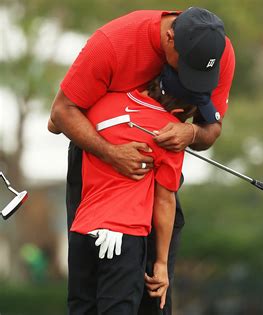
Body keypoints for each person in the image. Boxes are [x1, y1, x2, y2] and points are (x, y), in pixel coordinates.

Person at [48, 7, 235, 314]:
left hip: (160, 165)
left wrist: (189, 133)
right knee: (90, 299)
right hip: (95, 162)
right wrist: (111, 152)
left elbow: (211, 128)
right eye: (187, 69)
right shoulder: (112, 43)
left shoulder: (218, 50)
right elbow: (60, 114)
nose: (194, 80)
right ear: (170, 38)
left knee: (154, 292)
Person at [52, 65, 210, 314]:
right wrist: (160, 263)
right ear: (179, 111)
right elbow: (164, 202)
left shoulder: (103, 101)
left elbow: (55, 122)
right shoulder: (171, 134)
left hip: (81, 233)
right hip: (123, 238)